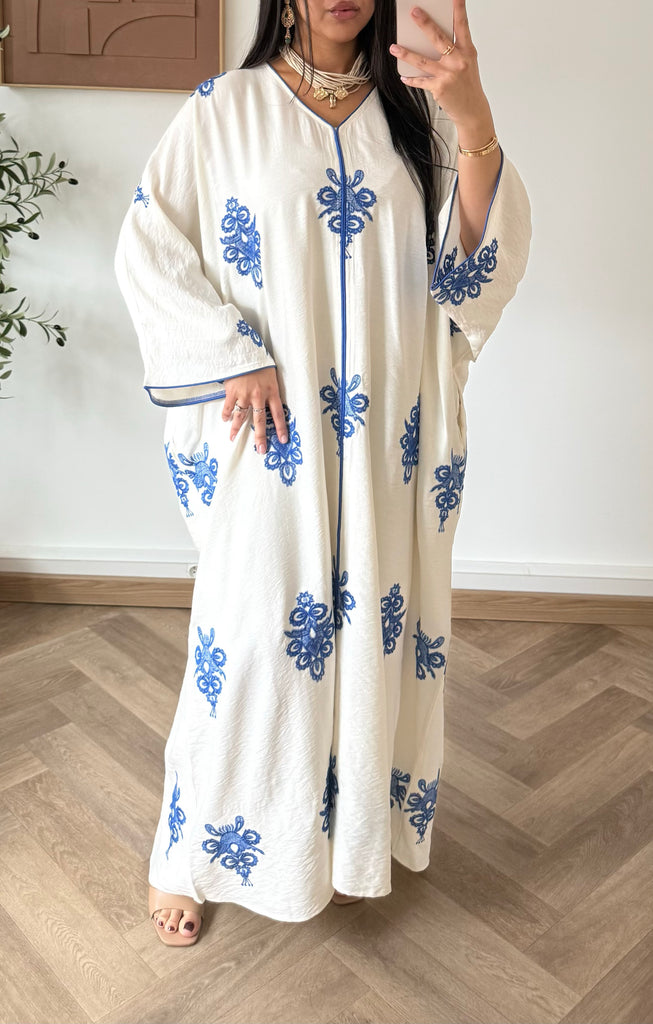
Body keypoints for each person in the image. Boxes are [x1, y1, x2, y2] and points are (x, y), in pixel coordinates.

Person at [114, 0, 531, 946]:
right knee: (251, 638)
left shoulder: (412, 119)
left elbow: (466, 274)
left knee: (371, 640)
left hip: (387, 438)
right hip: (273, 432)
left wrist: (471, 114)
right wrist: (230, 354)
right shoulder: (224, 109)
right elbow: (150, 244)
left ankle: (340, 845)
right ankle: (188, 854)